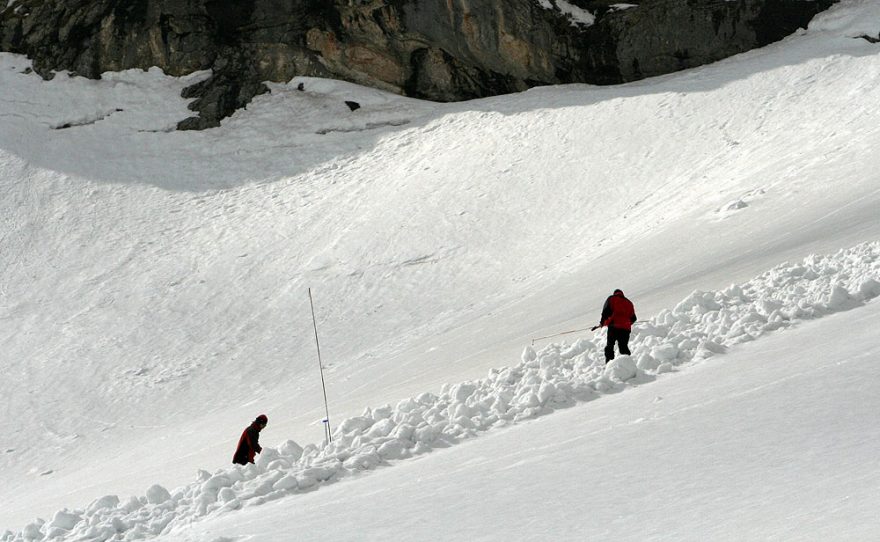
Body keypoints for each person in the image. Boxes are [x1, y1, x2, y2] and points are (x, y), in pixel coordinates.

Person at [593, 289, 637, 363]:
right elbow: (633, 318)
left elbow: (606, 312)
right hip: (625, 329)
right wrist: (626, 323)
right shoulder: (629, 303)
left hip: (614, 327)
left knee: (610, 346)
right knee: (623, 347)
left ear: (615, 293)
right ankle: (628, 364)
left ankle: (609, 365)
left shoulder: (611, 298)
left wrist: (602, 323)